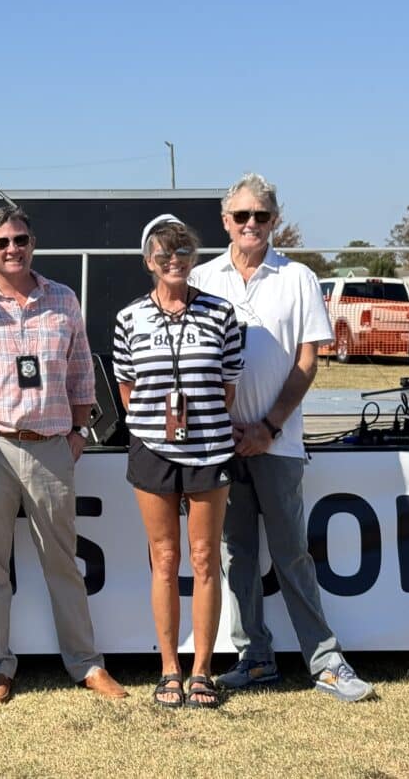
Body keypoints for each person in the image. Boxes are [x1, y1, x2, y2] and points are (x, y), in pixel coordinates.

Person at [190, 173, 376, 702]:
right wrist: (222, 427)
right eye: (241, 215)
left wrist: (268, 427)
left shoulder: (298, 277)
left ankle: (326, 661)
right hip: (222, 444)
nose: (251, 223)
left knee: (292, 553)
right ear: (225, 221)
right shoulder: (202, 277)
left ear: (275, 220)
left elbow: (307, 360)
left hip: (279, 442)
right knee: (236, 554)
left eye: (261, 215)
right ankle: (254, 658)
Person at [0, 206, 128, 704]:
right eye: (2, 242)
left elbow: (81, 373)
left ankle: (86, 664)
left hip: (51, 446)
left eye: (20, 240)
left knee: (63, 562)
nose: (13, 249)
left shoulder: (63, 298)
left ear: (33, 243)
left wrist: (78, 432)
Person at [113, 215, 242, 708]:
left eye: (183, 252)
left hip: (209, 448)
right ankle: (169, 668)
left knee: (205, 558)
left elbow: (228, 387)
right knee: (164, 559)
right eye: (164, 254)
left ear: (194, 258)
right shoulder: (129, 318)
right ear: (149, 261)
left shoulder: (221, 313)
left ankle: (203, 670)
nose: (174, 261)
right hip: (152, 448)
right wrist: (156, 426)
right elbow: (127, 390)